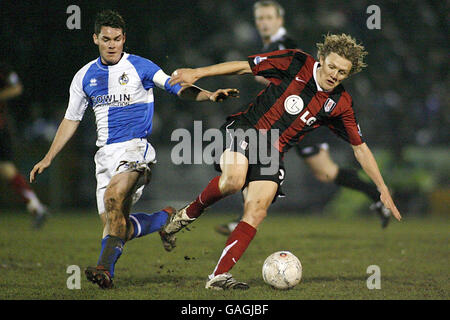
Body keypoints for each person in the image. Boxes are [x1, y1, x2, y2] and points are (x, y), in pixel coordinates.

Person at [161, 33, 402, 290]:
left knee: (257, 209)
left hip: (273, 151)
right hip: (247, 127)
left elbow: (360, 148)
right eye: (332, 66)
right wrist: (198, 73)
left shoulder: (340, 103)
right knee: (233, 181)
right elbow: (245, 66)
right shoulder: (296, 61)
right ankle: (185, 216)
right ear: (321, 58)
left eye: (343, 72)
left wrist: (382, 188)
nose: (335, 75)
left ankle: (218, 277)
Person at [29, 10, 238, 289]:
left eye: (117, 39)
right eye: (106, 39)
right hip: (104, 155)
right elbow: (71, 119)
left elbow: (177, 87)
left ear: (124, 38)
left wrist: (209, 95)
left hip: (135, 149)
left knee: (115, 197)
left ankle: (105, 270)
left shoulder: (141, 67)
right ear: (95, 39)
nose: (112, 44)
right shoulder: (83, 77)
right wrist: (48, 157)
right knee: (118, 228)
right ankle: (163, 218)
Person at [215, 1, 391, 236]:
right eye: (260, 18)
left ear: (279, 20)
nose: (263, 23)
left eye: (269, 17)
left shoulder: (285, 45)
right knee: (301, 168)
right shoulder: (265, 43)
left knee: (325, 172)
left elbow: (302, 77)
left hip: (299, 120)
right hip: (275, 122)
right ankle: (245, 217)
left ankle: (375, 195)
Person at [0, 63, 49, 228]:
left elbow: (17, 88)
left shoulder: (3, 69)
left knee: (7, 168)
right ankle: (35, 205)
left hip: (1, 127)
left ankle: (35, 205)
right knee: (7, 169)